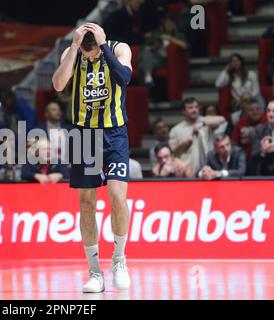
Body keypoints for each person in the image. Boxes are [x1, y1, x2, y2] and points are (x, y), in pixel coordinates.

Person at [52, 22, 133, 292]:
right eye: (88, 53)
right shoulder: (73, 52)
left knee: (118, 196)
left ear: (101, 41)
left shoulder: (119, 49)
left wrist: (104, 48)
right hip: (84, 134)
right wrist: (75, 47)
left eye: (94, 51)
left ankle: (119, 260)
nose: (91, 56)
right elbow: (59, 84)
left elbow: (124, 78)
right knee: (86, 203)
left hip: (114, 132)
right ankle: (95, 271)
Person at [169, 97, 226, 175]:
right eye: (190, 108)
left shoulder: (206, 121)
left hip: (209, 169)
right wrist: (184, 144)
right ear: (183, 111)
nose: (194, 110)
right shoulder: (176, 130)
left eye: (196, 107)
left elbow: (222, 119)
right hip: (187, 171)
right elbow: (171, 152)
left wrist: (202, 124)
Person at [137, 14, 187, 86]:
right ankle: (148, 77)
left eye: (171, 23)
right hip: (153, 56)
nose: (168, 25)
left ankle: (146, 86)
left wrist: (170, 39)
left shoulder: (178, 35)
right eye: (167, 23)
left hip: (164, 61)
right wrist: (153, 47)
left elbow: (185, 45)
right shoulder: (157, 34)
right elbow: (144, 47)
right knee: (146, 53)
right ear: (163, 24)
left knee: (141, 65)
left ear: (174, 24)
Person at [231, 99, 267, 174]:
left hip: (266, 157)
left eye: (257, 109)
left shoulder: (266, 119)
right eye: (251, 110)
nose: (255, 112)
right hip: (247, 159)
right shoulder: (241, 123)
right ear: (246, 112)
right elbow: (233, 143)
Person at [252, 100, 274, 176]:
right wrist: (263, 150)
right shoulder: (259, 130)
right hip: (266, 173)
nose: (271, 114)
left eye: (273, 111)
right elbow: (254, 154)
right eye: (268, 111)